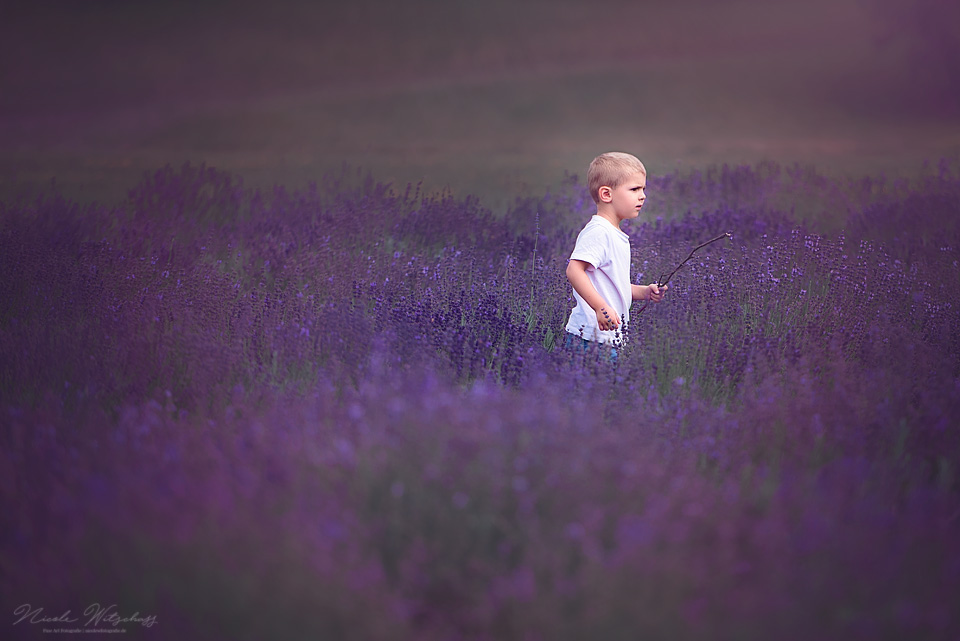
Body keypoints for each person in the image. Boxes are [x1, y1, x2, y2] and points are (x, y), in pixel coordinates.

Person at [564, 152, 667, 359]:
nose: (643, 195)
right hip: (590, 337)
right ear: (606, 195)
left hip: (607, 338)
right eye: (634, 189)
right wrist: (601, 307)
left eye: (643, 189)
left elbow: (613, 285)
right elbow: (574, 270)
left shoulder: (613, 234)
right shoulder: (599, 232)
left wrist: (645, 292)